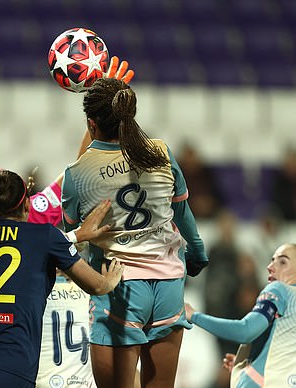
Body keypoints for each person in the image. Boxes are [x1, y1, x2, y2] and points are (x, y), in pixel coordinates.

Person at [61, 76, 209, 388]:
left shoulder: (78, 174)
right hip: (169, 285)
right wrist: (197, 254)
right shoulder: (161, 153)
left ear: (91, 124)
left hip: (119, 287)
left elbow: (73, 227)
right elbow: (182, 213)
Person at [0, 168, 124, 388]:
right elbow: (97, 286)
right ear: (27, 204)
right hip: (10, 366)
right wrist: (112, 279)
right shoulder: (46, 236)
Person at [185, 243, 296, 388]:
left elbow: (245, 331)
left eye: (282, 262)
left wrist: (194, 315)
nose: (270, 266)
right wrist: (254, 363)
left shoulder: (282, 290)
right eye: (272, 260)